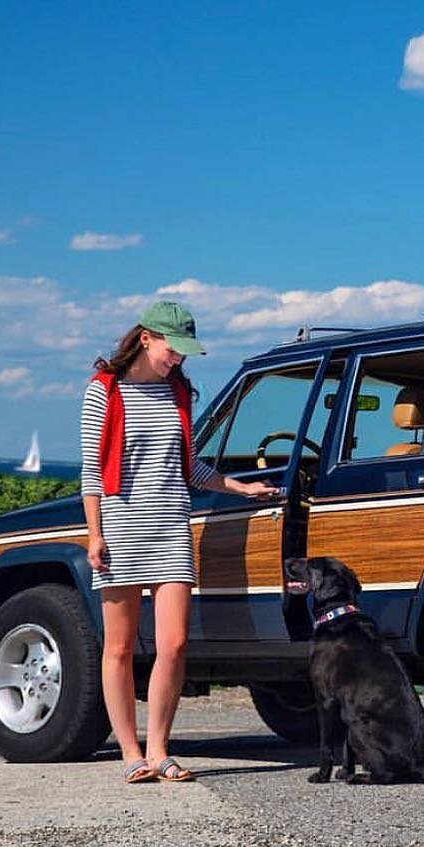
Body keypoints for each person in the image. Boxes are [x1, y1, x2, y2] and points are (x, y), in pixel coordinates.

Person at [80, 300, 276, 783]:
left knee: (174, 643)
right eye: (174, 348)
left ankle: (160, 749)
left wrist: (238, 487)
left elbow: (189, 468)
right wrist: (95, 535)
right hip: (121, 527)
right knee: (120, 648)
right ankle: (130, 753)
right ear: (146, 337)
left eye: (185, 352)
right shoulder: (104, 391)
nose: (179, 359)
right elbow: (90, 472)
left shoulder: (180, 392)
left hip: (172, 527)